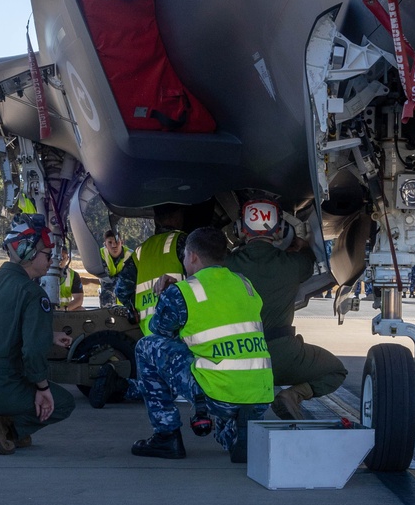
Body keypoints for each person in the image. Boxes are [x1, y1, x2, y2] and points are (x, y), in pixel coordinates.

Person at [131, 225, 273, 463]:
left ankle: (166, 435)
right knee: (209, 352)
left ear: (193, 256)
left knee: (147, 346)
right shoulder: (244, 284)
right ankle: (233, 432)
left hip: (221, 396)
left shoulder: (182, 292)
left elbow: (159, 331)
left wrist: (165, 295)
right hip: (261, 396)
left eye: (185, 255)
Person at [0, 213, 75, 454]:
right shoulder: (32, 294)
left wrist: (47, 335)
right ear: (28, 253)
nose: (51, 259)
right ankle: (6, 428)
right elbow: (32, 352)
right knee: (62, 403)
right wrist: (42, 389)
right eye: (46, 253)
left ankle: (8, 425)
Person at [227, 197, 347, 419]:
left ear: (239, 230)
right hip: (283, 357)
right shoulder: (294, 265)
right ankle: (293, 395)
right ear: (280, 230)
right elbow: (309, 264)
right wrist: (302, 247)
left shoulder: (226, 266)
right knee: (336, 370)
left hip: (238, 359)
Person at [114, 205, 187, 333]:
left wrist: (137, 308)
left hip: (149, 335)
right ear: (178, 217)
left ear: (156, 220)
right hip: (182, 332)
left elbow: (121, 290)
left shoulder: (140, 251)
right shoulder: (183, 242)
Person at [98, 229, 131, 308]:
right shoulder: (100, 255)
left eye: (116, 242)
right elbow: (105, 279)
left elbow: (130, 279)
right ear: (105, 244)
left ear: (122, 242)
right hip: (107, 297)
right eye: (110, 242)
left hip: (127, 296)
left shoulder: (131, 256)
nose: (114, 245)